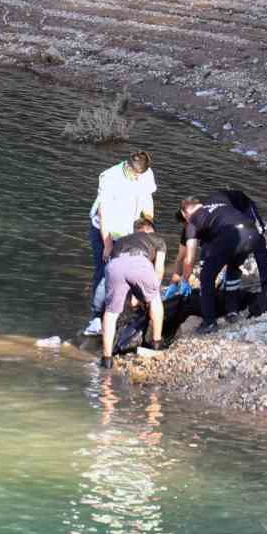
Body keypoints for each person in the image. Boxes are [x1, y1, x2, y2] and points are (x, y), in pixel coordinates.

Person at [84, 152, 156, 336]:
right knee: (104, 272)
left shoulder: (146, 173)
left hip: (130, 231)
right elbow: (103, 214)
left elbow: (148, 200)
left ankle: (131, 306)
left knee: (134, 267)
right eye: (136, 175)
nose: (139, 178)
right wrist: (107, 244)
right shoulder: (110, 177)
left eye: (141, 175)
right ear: (129, 167)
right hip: (106, 230)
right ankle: (96, 318)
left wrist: (147, 224)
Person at [179, 194, 267, 335]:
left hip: (230, 237)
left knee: (206, 277)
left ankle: (209, 322)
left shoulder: (192, 222)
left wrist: (184, 280)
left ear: (184, 213)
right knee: (233, 267)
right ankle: (232, 311)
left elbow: (190, 257)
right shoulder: (217, 205)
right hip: (251, 233)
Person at [98, 218, 166, 370]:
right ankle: (156, 344)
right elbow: (159, 270)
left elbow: (124, 275)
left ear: (136, 230)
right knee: (155, 300)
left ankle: (106, 358)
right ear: (151, 230)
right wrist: (152, 291)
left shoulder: (122, 240)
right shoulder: (157, 240)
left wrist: (135, 298)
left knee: (111, 312)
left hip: (114, 265)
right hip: (140, 263)